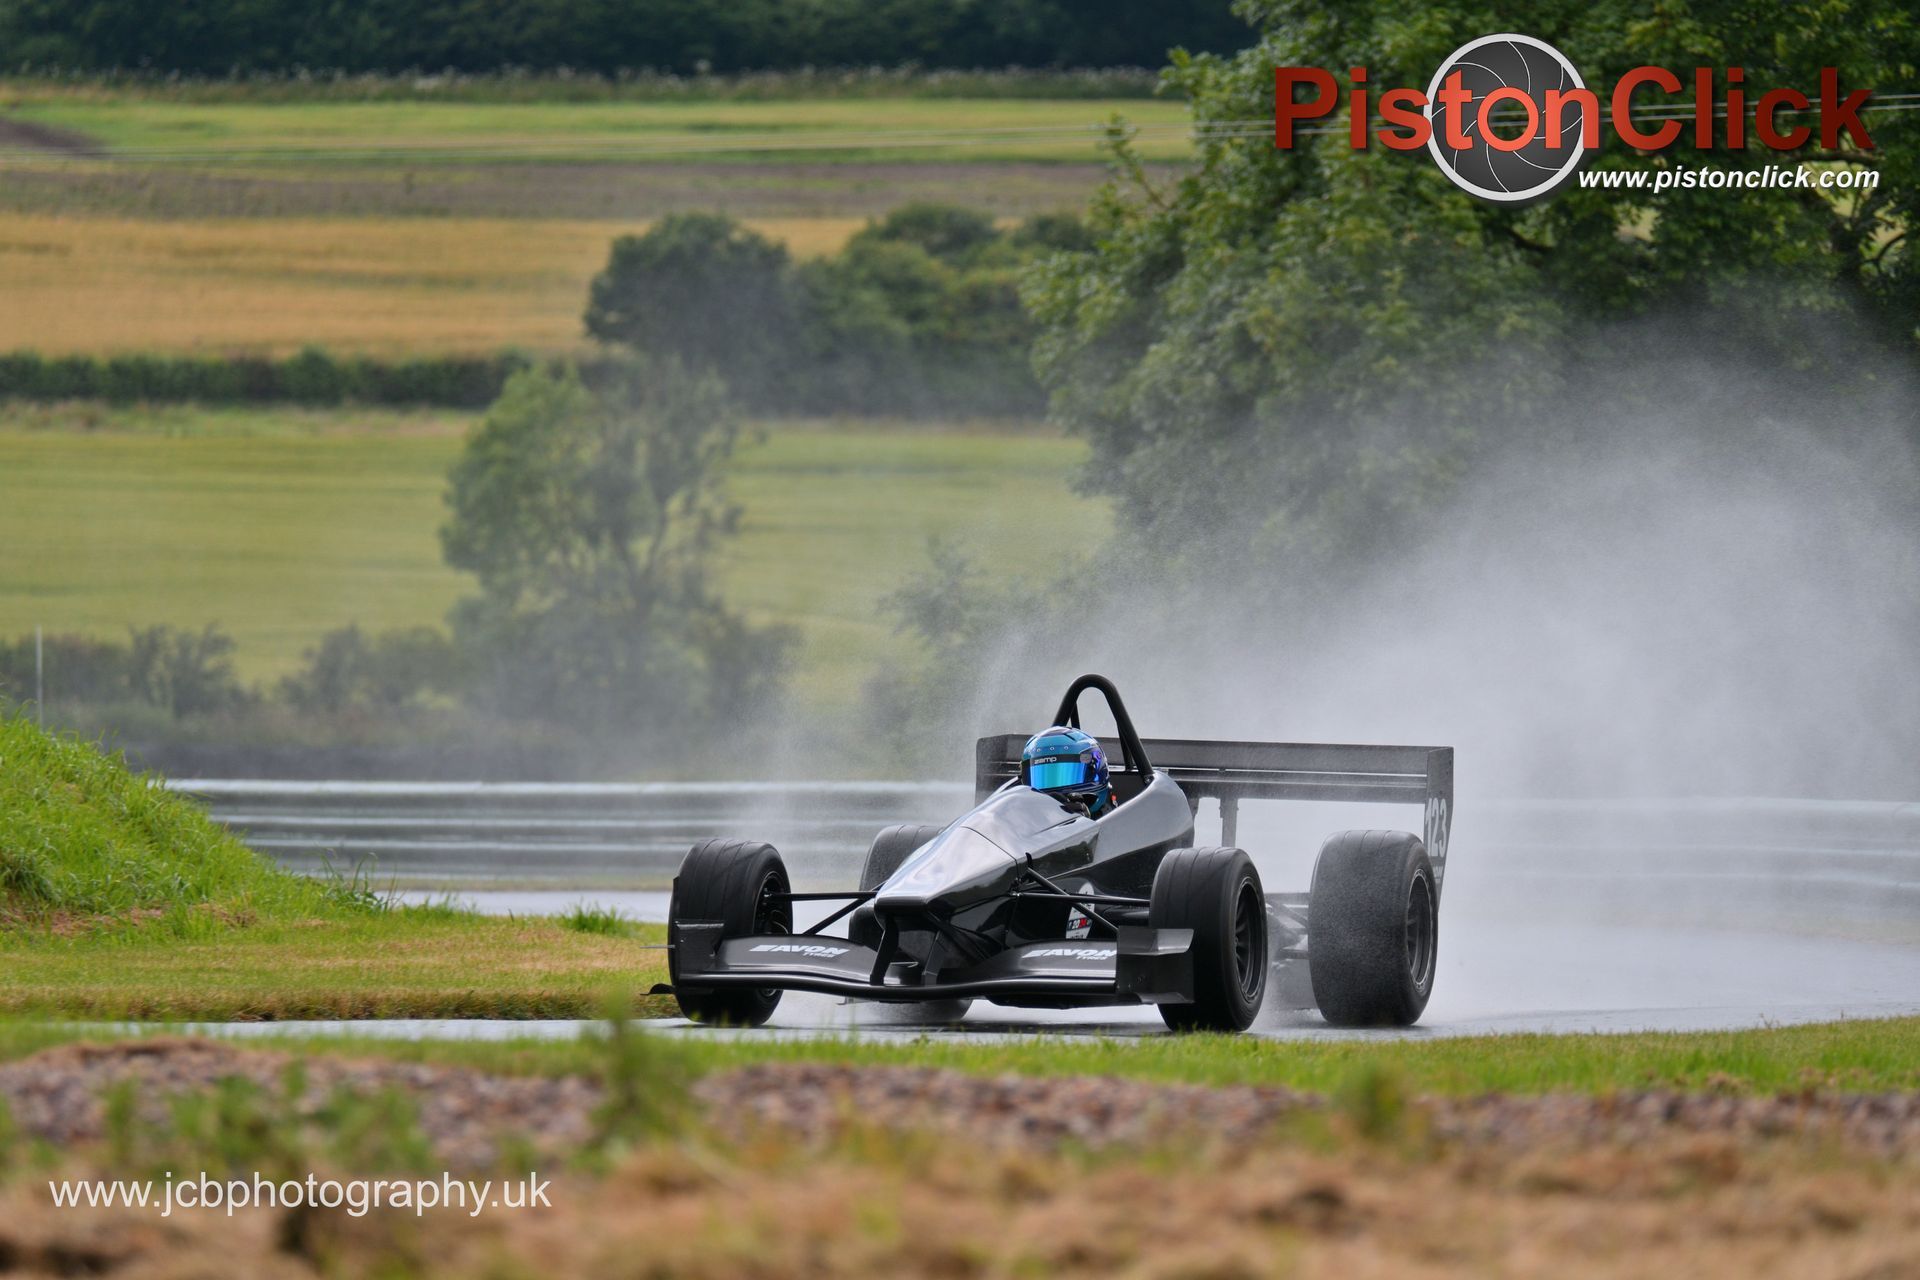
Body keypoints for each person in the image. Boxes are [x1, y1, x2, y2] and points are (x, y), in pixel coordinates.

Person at [1019, 725, 1115, 816]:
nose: (1056, 794)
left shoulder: (1121, 825)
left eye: (1068, 775)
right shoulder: (1020, 820)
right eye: (1042, 779)